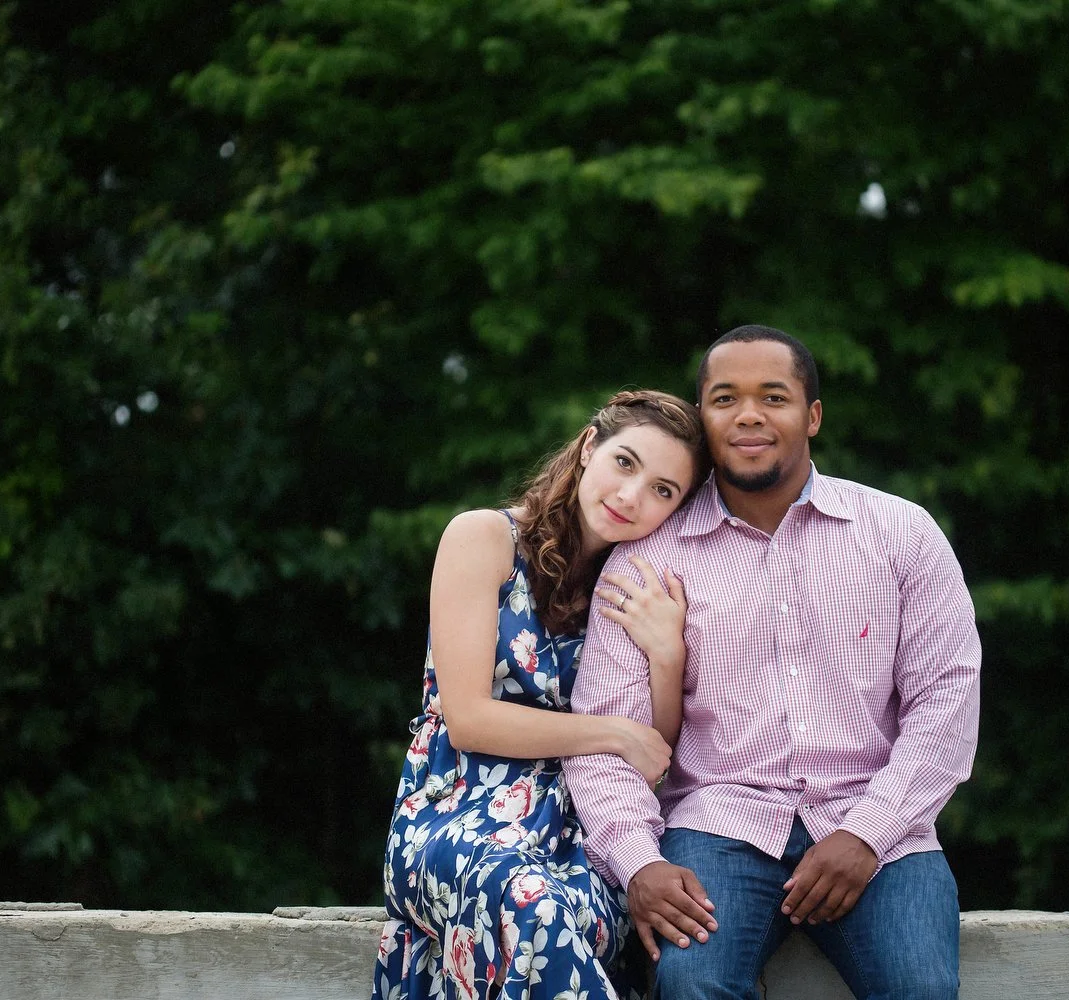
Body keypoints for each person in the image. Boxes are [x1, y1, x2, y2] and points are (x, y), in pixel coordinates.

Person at [563, 326, 981, 1000]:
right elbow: (607, 734)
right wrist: (638, 861)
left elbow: (947, 702)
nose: (749, 414)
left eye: (774, 397)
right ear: (703, 419)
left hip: (879, 824)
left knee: (922, 987)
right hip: (718, 823)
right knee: (690, 983)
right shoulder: (648, 559)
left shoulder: (901, 534)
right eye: (725, 398)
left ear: (811, 415)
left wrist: (866, 834)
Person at [371, 390, 712, 1000]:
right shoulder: (484, 539)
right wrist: (609, 733)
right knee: (528, 902)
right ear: (588, 448)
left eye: (665, 490)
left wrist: (667, 657)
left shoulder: (634, 584)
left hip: (579, 833)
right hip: (456, 815)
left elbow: (655, 755)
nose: (632, 496)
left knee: (575, 916)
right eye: (626, 463)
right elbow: (470, 719)